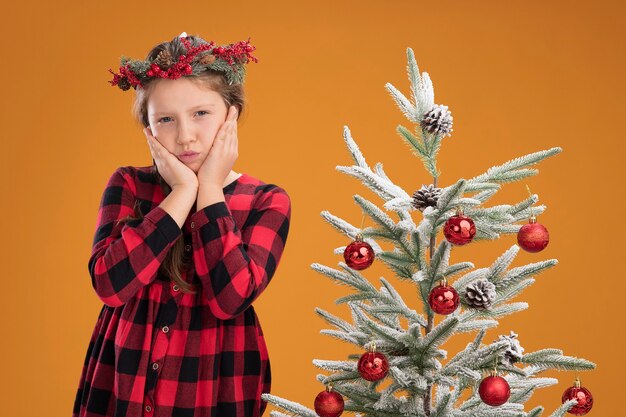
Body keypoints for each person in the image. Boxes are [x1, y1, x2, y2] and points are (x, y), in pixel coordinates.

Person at [72, 32, 291, 417]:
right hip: (126, 371)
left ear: (231, 114)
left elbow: (231, 299)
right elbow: (110, 284)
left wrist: (207, 189)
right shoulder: (127, 184)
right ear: (149, 128)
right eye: (166, 120)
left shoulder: (265, 200)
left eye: (201, 114)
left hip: (217, 376)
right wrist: (181, 193)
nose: (185, 136)